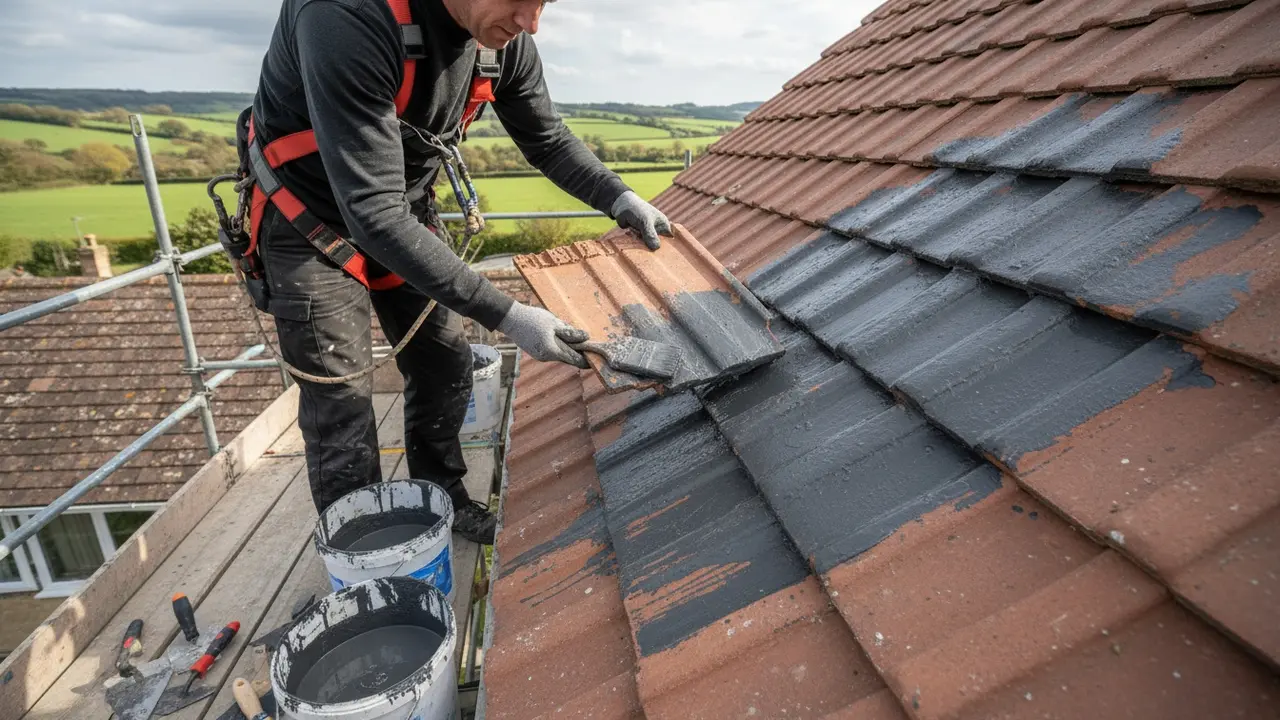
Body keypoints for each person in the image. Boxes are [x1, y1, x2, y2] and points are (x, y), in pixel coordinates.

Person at [244, 0, 672, 544]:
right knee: (342, 402)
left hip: (401, 210)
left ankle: (442, 498)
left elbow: (546, 138)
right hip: (306, 217)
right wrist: (509, 315)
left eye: (543, 4)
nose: (530, 24)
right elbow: (371, 213)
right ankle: (368, 560)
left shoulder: (498, 38)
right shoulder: (344, 15)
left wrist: (621, 197)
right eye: (520, 2)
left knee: (446, 360)